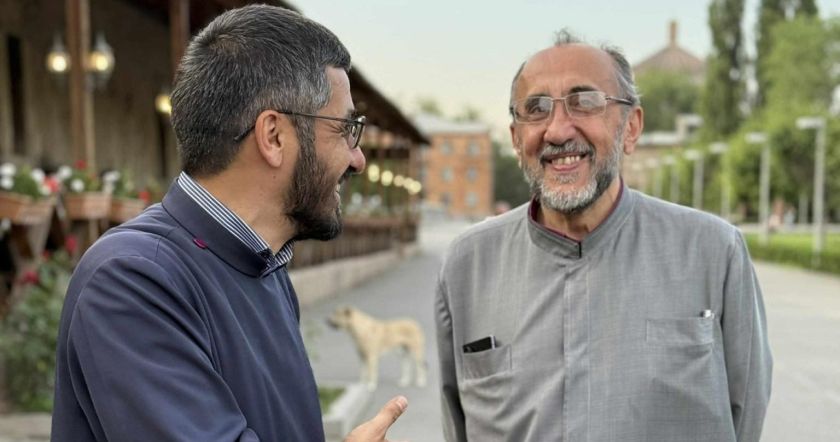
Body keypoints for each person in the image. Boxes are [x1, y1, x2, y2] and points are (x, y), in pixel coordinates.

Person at [52, 5, 407, 441]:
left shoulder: (265, 269)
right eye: (345, 128)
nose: (358, 158)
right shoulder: (132, 279)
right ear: (273, 136)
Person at [434, 30, 772, 442]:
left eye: (584, 102)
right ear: (516, 139)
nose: (558, 130)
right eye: (536, 109)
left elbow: (746, 413)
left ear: (631, 127)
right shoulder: (468, 266)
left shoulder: (713, 253)